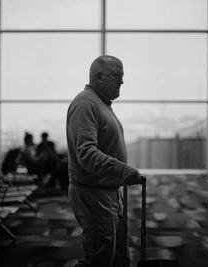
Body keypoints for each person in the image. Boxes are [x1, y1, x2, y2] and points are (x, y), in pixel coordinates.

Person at [66, 55, 143, 267]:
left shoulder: (99, 103)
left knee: (115, 255)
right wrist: (121, 170)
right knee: (100, 259)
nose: (122, 81)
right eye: (117, 76)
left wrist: (119, 174)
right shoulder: (85, 104)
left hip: (105, 191)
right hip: (94, 194)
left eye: (122, 76)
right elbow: (87, 153)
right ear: (99, 77)